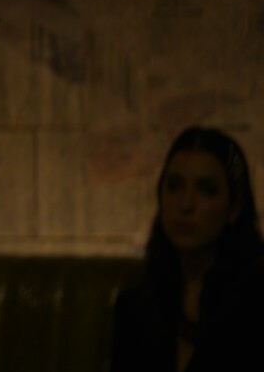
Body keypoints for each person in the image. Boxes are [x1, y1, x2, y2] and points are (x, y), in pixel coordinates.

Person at [111, 127, 263, 372]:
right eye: (174, 186)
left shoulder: (254, 305)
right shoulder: (136, 306)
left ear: (233, 207)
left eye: (206, 190)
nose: (185, 204)